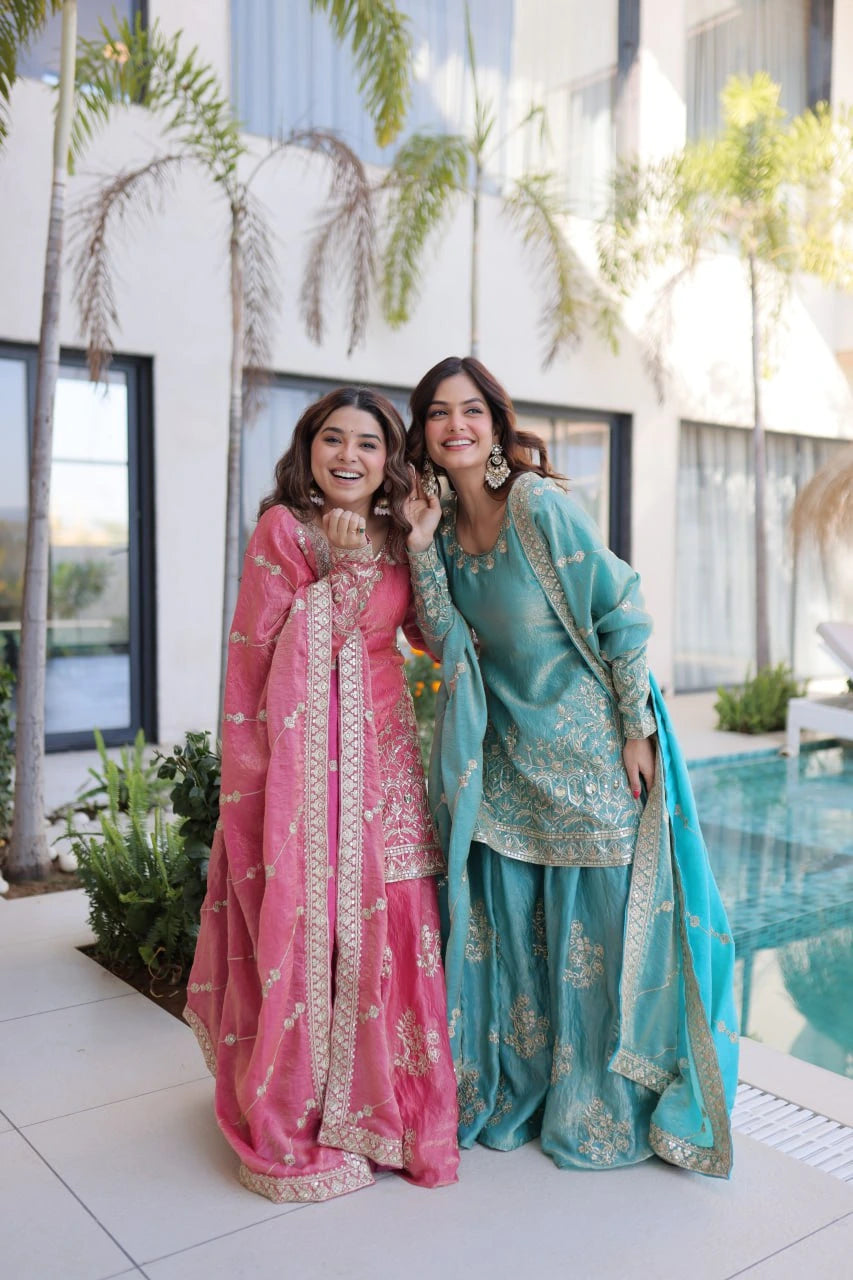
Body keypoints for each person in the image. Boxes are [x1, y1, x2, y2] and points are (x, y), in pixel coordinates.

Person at [404, 356, 738, 1178]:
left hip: (590, 751)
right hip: (507, 753)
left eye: (471, 411)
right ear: (423, 432)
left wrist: (634, 729)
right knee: (520, 927)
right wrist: (415, 544)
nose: (456, 426)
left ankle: (607, 1099)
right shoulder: (441, 529)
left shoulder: (538, 505)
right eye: (440, 413)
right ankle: (535, 1083)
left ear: (494, 421)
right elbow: (442, 641)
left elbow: (619, 609)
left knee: (599, 928)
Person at [185, 387, 460, 1203]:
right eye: (331, 440)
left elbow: (435, 642)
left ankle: (387, 1109)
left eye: (367, 444)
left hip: (386, 761)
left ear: (390, 460)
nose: (348, 456)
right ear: (308, 450)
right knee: (317, 926)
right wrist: (336, 574)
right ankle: (301, 1113)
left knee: (399, 920)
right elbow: (258, 666)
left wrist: (420, 543)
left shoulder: (397, 533)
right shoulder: (283, 532)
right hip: (305, 778)